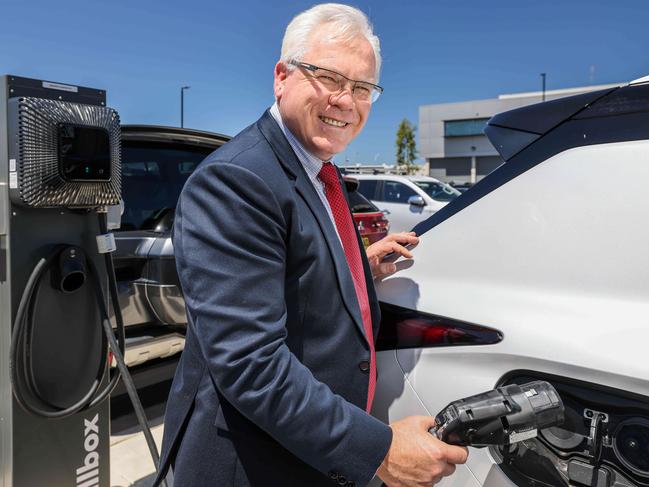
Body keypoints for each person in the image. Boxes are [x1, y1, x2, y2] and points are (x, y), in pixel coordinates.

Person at [154, 4, 468, 486]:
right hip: (253, 463)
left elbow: (284, 270)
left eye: (363, 88)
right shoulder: (237, 180)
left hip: (307, 455)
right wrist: (379, 451)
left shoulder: (320, 169)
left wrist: (357, 266)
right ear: (282, 77)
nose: (346, 100)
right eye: (328, 77)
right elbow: (250, 365)